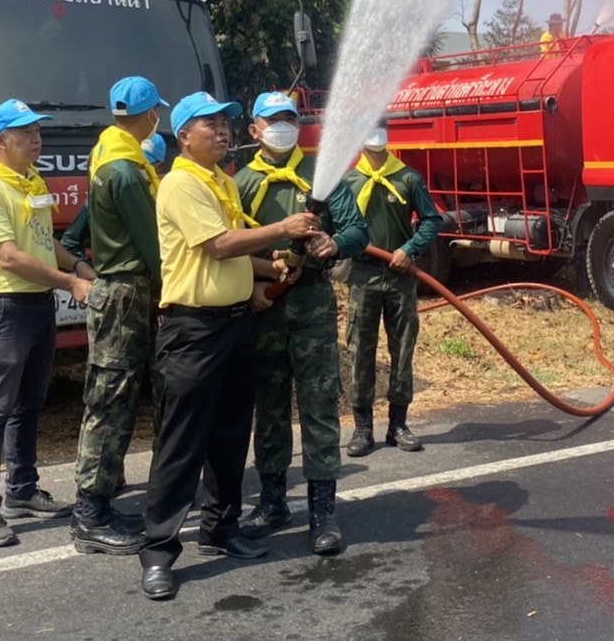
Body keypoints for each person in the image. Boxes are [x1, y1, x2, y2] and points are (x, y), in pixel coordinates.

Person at [138, 91, 323, 601]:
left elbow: (233, 255)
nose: (221, 130)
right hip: (193, 329)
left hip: (234, 324)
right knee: (181, 442)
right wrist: (282, 228)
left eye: (224, 122)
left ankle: (221, 528)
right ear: (183, 137)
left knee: (228, 434)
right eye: (208, 124)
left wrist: (273, 264)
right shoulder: (180, 184)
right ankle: (159, 553)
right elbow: (217, 246)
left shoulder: (220, 181)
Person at [232, 91, 369, 555]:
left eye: (289, 119)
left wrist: (335, 244)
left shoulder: (322, 175)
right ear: (254, 130)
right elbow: (228, 243)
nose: (282, 127)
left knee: (318, 404)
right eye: (273, 120)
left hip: (310, 304)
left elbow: (357, 229)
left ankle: (322, 510)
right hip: (264, 307)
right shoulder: (241, 183)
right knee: (268, 408)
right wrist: (258, 275)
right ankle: (272, 503)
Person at [0, 99, 96, 549]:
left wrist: (78, 266)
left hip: (38, 306)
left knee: (29, 404)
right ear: (0, 140)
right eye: (26, 133)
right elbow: (9, 257)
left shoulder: (31, 180)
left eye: (38, 131)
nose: (37, 139)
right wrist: (69, 283)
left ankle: (21, 490)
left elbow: (43, 241)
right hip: (5, 308)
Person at [66, 76, 170, 556]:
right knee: (110, 404)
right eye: (157, 113)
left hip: (122, 292)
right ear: (150, 115)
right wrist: (174, 290)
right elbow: (153, 247)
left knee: (115, 401)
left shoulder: (107, 154)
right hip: (126, 293)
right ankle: (89, 514)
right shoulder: (127, 171)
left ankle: (101, 503)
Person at [342, 126, 443, 458]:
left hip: (399, 277)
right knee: (360, 352)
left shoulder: (408, 179)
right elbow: (333, 227)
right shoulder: (347, 183)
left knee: (402, 350)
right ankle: (362, 428)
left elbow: (432, 219)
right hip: (362, 276)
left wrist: (410, 249)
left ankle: (398, 424)